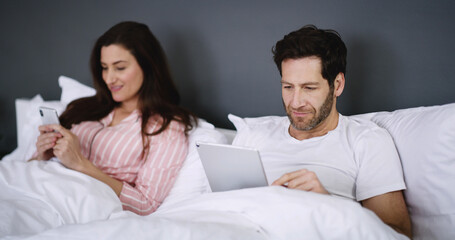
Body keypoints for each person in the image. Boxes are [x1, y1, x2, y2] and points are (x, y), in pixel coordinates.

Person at [246, 25, 411, 238]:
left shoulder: (366, 141)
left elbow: (399, 234)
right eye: (288, 87)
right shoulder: (253, 134)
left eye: (309, 88)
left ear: (338, 84)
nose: (295, 102)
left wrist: (327, 204)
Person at [32, 21, 196, 215]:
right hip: (37, 188)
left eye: (119, 68)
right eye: (104, 67)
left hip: (74, 205)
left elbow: (146, 204)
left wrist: (79, 164)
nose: (109, 79)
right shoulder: (83, 108)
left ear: (148, 66)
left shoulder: (165, 127)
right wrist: (42, 156)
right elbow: (30, 169)